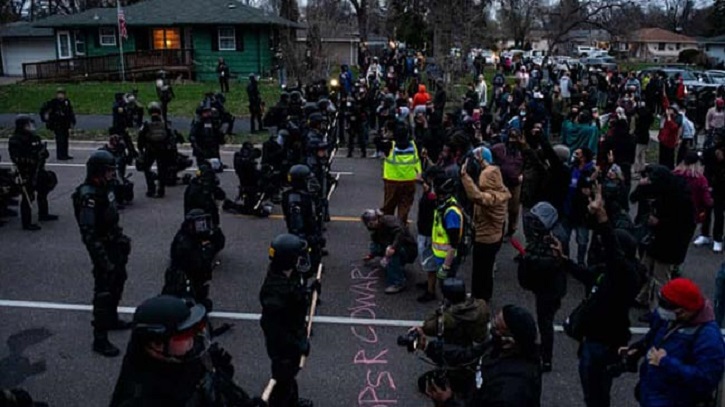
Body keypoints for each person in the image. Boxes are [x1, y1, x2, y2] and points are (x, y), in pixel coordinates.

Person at [553, 184, 641, 407]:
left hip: (605, 344)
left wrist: (602, 217)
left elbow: (613, 252)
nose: (601, 249)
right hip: (591, 340)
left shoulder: (626, 275)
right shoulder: (606, 272)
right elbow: (587, 274)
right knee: (591, 392)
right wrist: (564, 260)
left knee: (598, 395)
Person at [110, 295, 265, 406]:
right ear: (157, 344)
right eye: (183, 336)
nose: (193, 340)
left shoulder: (183, 358)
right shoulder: (143, 398)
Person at [622, 278, 725, 407]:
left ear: (684, 311)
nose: (661, 312)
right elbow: (655, 337)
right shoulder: (668, 318)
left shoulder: (709, 338)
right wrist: (640, 347)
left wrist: (666, 362)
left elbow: (705, 380)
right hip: (653, 394)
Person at [72, 150, 132, 357]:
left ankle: (112, 319)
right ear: (98, 172)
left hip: (115, 243)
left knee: (118, 282)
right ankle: (100, 338)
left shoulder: (106, 188)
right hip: (102, 248)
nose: (112, 174)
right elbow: (89, 233)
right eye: (109, 171)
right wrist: (103, 260)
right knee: (103, 292)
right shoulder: (88, 195)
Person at [424, 305, 542, 407]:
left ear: (509, 341)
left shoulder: (510, 390)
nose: (492, 328)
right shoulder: (498, 347)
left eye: (497, 328)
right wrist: (426, 346)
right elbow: (467, 355)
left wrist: (448, 403)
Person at [260, 234, 318, 407]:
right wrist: (297, 343)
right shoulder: (275, 294)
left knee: (290, 376)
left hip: (293, 334)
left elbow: (296, 296)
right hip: (283, 346)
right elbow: (275, 329)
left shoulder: (287, 274)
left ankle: (292, 402)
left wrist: (309, 292)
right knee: (283, 379)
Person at [631, 165, 696, 312]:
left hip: (670, 243)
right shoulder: (668, 189)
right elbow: (635, 197)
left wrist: (660, 222)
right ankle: (643, 297)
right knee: (645, 269)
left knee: (660, 277)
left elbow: (681, 224)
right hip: (657, 238)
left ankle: (659, 309)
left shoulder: (679, 199)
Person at [518, 201, 566, 372]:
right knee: (544, 321)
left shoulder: (555, 238)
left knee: (545, 323)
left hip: (550, 289)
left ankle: (546, 358)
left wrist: (529, 260)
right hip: (546, 287)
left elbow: (551, 264)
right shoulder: (547, 234)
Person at [460, 148, 510, 302]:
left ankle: (482, 298)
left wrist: (465, 177)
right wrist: (482, 161)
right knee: (482, 269)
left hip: (486, 239)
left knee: (482, 271)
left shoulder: (493, 198)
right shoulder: (501, 190)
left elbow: (477, 197)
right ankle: (479, 295)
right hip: (492, 236)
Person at [162, 209, 218, 312]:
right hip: (183, 282)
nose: (203, 227)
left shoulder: (194, 238)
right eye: (199, 224)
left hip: (195, 279)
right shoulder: (184, 243)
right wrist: (206, 251)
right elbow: (196, 264)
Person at [8, 115, 58, 231]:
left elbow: (44, 153)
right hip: (25, 172)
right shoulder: (16, 140)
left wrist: (43, 153)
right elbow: (17, 158)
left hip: (39, 169)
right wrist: (33, 158)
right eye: (28, 124)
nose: (31, 126)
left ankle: (43, 214)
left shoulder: (35, 138)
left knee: (43, 191)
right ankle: (26, 223)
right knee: (28, 197)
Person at [361, 209, 418, 294]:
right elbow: (376, 241)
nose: (372, 224)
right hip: (393, 245)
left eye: (373, 221)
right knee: (375, 245)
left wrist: (393, 247)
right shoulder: (376, 229)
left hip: (408, 249)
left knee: (391, 255)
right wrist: (371, 255)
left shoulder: (389, 221)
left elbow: (400, 232)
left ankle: (398, 282)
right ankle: (395, 265)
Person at [282, 165, 324, 274]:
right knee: (306, 270)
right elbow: (297, 227)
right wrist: (311, 240)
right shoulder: (295, 201)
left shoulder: (305, 195)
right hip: (304, 238)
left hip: (310, 231)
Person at [381, 123, 421, 223]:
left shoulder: (389, 145)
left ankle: (388, 227)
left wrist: (385, 135)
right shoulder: (414, 145)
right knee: (404, 207)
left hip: (392, 181)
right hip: (409, 181)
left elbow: (377, 141)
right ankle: (401, 227)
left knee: (389, 207)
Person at [431, 174, 465, 281]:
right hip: (441, 257)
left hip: (448, 259)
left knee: (448, 288)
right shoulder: (442, 205)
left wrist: (446, 266)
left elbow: (454, 242)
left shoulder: (451, 213)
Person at [492, 128, 525, 237]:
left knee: (514, 209)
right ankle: (500, 230)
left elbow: (530, 164)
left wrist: (523, 175)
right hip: (501, 183)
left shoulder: (523, 151)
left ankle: (511, 229)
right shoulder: (499, 148)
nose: (512, 140)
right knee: (500, 208)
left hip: (515, 184)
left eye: (515, 138)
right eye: (510, 137)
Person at [137, 102, 173, 198]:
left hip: (150, 149)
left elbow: (141, 138)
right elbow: (170, 136)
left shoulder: (146, 124)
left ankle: (151, 189)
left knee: (146, 167)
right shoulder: (164, 123)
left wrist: (140, 149)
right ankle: (161, 190)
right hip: (162, 149)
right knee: (162, 170)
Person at [39, 87, 76, 160]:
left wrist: (72, 122)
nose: (61, 96)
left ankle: (65, 154)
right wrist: (46, 119)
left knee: (65, 140)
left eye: (62, 94)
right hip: (57, 124)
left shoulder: (66, 102)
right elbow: (44, 110)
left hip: (65, 124)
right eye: (59, 94)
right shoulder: (53, 102)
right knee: (60, 140)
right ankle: (60, 155)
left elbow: (70, 113)